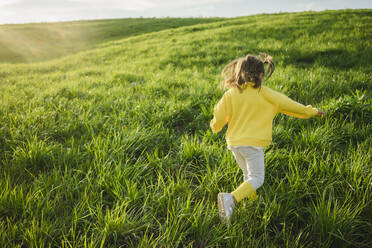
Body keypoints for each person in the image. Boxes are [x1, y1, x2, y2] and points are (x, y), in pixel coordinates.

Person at [210, 53, 325, 225]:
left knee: (248, 175)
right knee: (257, 178)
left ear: (240, 73)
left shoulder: (231, 94)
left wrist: (215, 126)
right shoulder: (268, 95)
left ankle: (253, 202)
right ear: (262, 75)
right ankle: (231, 199)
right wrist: (312, 111)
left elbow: (219, 114)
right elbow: (292, 106)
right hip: (253, 145)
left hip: (235, 144)